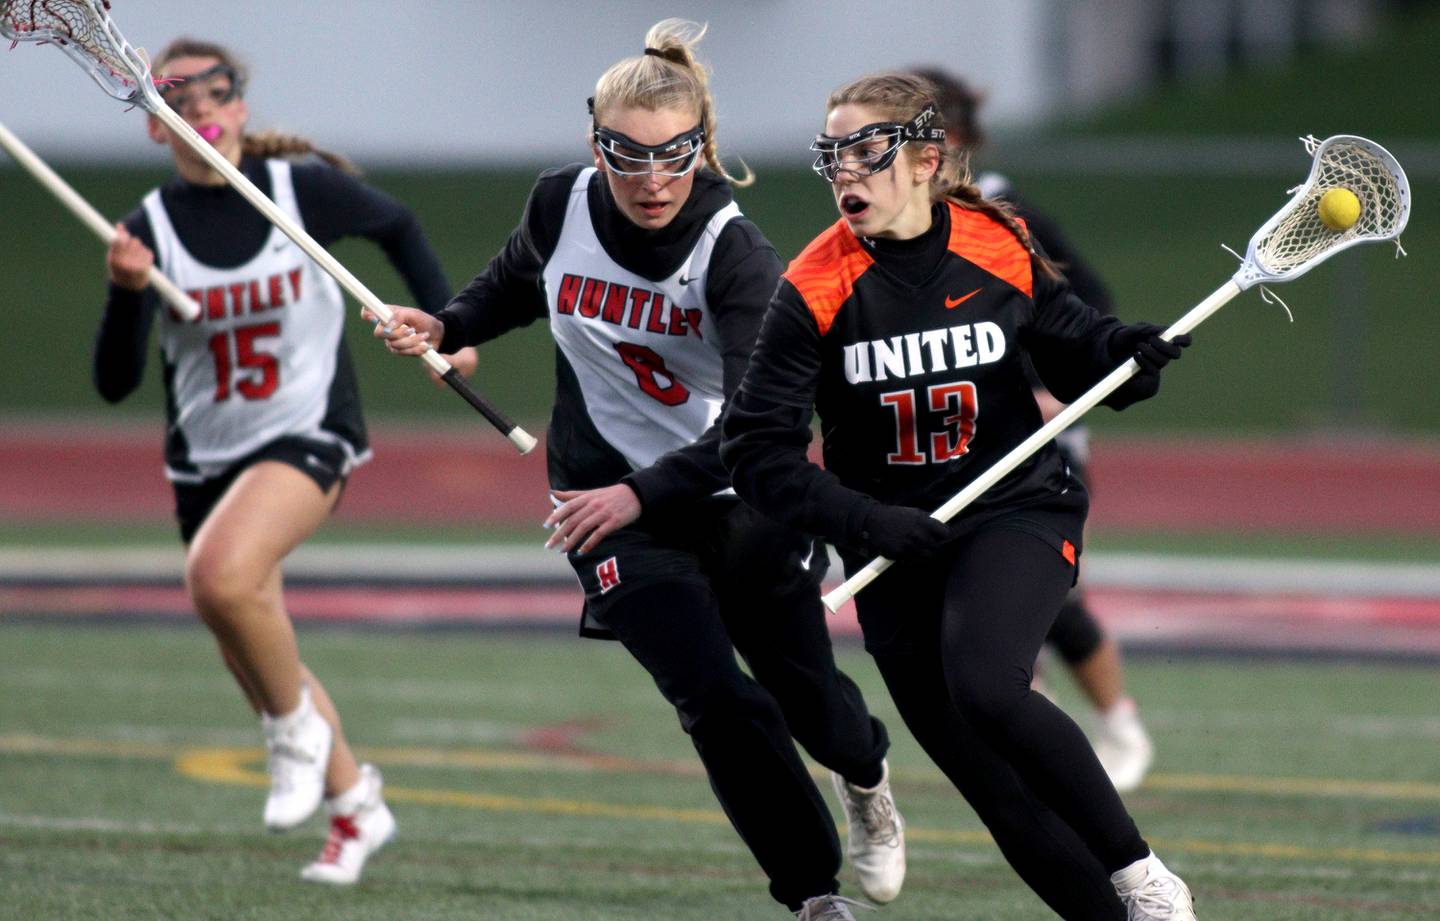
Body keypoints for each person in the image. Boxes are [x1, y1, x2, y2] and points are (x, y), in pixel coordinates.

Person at [372, 20, 903, 920]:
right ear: (594, 143)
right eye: (627, 155)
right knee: (714, 699)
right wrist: (447, 327)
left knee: (813, 702)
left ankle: (866, 776)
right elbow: (516, 280)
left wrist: (641, 489)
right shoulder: (559, 202)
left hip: (736, 497)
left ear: (703, 147)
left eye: (675, 156)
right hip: (608, 503)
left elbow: (752, 425)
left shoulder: (737, 255)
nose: (653, 179)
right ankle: (815, 896)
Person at [720, 71, 1196, 920]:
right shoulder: (814, 286)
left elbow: (1077, 346)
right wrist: (867, 522)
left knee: (986, 682)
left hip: (1015, 507)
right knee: (997, 791)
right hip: (893, 546)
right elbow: (756, 454)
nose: (846, 175)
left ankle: (1143, 876)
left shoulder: (993, 238)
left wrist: (1129, 355)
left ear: (927, 160)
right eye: (833, 157)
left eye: (867, 153)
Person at [94, 38, 453, 885]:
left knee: (218, 579)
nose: (205, 111)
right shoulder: (148, 228)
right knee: (258, 648)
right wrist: (124, 289)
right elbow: (113, 383)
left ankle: (290, 740)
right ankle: (356, 806)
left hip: (308, 431)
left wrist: (449, 324)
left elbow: (397, 224)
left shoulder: (301, 192)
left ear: (242, 107)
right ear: (156, 127)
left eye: (217, 94)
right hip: (206, 461)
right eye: (181, 101)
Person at [914, 68, 1154, 792]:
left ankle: (1119, 725)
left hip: (1029, 439)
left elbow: (1092, 315)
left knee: (1045, 597)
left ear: (946, 139)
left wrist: (1052, 393)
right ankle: (1034, 736)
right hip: (949, 442)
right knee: (955, 604)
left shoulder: (1005, 214)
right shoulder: (887, 225)